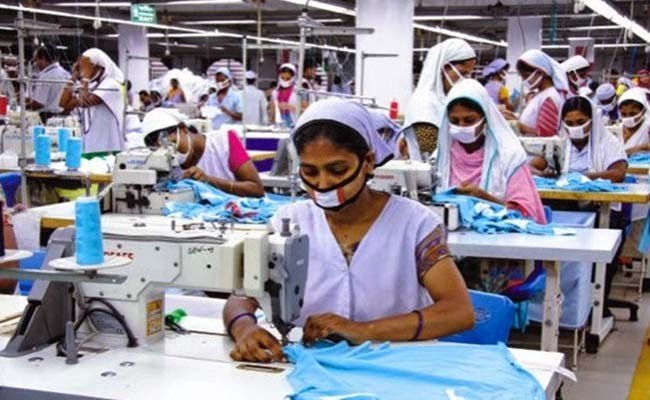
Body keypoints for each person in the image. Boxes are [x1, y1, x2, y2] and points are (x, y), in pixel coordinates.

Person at [223, 99, 474, 363]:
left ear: (368, 162)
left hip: (396, 363)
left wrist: (364, 330)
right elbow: (241, 297)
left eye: (337, 170)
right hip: (312, 362)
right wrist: (244, 328)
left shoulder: (416, 224)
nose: (323, 184)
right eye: (310, 171)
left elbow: (458, 312)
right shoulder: (288, 221)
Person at [436, 79, 546, 224]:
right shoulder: (440, 159)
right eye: (455, 121)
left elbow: (525, 214)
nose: (461, 126)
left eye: (469, 120)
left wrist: (483, 198)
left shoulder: (509, 157)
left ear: (485, 118)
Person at [142, 108, 264, 197]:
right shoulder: (165, 163)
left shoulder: (223, 142)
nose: (172, 153)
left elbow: (257, 189)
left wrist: (209, 181)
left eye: (172, 144)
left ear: (183, 129)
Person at [403, 38, 476, 161]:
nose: (466, 79)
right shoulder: (424, 104)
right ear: (445, 67)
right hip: (433, 172)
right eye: (463, 73)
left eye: (469, 74)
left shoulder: (443, 100)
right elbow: (432, 152)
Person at [530, 96, 627, 182]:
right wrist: (543, 175)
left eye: (581, 122)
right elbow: (530, 167)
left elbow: (618, 173)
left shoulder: (609, 143)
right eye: (569, 123)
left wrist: (583, 178)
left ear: (592, 120)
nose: (575, 127)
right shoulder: (558, 145)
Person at [59, 48, 125, 155]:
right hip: (91, 142)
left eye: (85, 67)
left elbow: (84, 102)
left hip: (107, 144)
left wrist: (85, 77)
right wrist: (73, 78)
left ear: (97, 66)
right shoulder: (92, 86)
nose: (82, 71)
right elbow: (64, 103)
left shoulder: (112, 84)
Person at [516, 50, 568, 137]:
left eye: (526, 76)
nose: (524, 80)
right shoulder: (541, 95)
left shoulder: (549, 97)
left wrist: (518, 126)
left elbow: (547, 135)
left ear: (540, 73)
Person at [27, 45, 70, 116]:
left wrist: (24, 106)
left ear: (43, 59)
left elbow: (39, 103)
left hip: (46, 116)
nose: (35, 63)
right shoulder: (66, 74)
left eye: (36, 60)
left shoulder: (46, 77)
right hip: (64, 115)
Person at [617, 87, 650, 155]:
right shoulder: (619, 128)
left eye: (633, 114)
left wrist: (641, 148)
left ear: (643, 112)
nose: (628, 117)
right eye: (623, 114)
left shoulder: (647, 127)